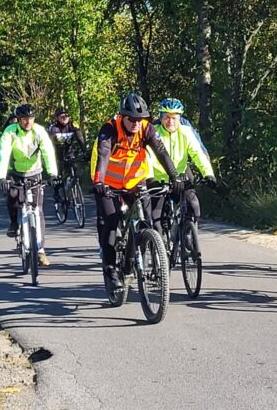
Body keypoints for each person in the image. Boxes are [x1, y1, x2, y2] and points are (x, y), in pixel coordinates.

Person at [91, 92, 179, 290]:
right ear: (122, 117)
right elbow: (103, 154)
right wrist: (99, 181)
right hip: (109, 184)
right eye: (132, 119)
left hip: (136, 182)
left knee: (145, 220)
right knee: (111, 222)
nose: (136, 123)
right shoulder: (110, 128)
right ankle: (110, 269)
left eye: (140, 119)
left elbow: (161, 152)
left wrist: (175, 176)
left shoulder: (146, 128)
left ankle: (132, 263)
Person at [0, 103, 58, 266]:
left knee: (37, 211)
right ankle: (14, 223)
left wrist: (52, 174)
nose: (28, 122)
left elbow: (48, 152)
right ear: (18, 119)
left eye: (31, 118)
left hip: (35, 173)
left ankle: (40, 250)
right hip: (15, 173)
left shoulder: (39, 131)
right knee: (12, 197)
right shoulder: (10, 132)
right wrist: (1, 177)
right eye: (24, 119)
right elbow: (3, 154)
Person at [147, 97, 215, 228]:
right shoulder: (153, 132)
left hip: (181, 175)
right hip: (158, 178)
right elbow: (148, 157)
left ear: (180, 119)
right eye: (167, 117)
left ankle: (187, 231)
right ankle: (160, 239)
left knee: (193, 206)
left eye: (174, 118)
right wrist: (150, 178)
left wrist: (208, 173)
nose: (170, 121)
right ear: (161, 117)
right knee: (156, 219)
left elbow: (197, 153)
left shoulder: (186, 132)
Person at [48, 107, 88, 200]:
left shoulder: (72, 125)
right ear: (57, 118)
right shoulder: (53, 128)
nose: (64, 118)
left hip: (70, 153)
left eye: (66, 116)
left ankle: (75, 187)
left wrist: (84, 151)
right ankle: (57, 192)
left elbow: (80, 138)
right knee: (58, 176)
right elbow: (49, 144)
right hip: (57, 155)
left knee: (75, 169)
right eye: (62, 116)